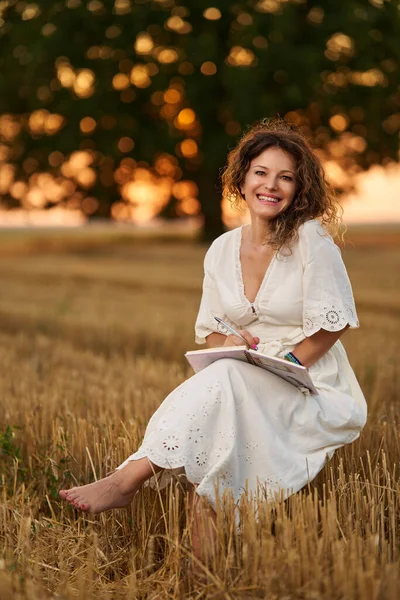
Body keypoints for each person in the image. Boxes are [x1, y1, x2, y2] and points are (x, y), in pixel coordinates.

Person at [59, 118, 367, 559]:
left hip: (310, 378)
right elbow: (211, 331)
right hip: (244, 374)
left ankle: (127, 478)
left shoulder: (311, 240)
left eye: (286, 177)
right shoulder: (221, 248)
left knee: (224, 383)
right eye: (261, 172)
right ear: (242, 179)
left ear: (300, 189)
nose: (271, 185)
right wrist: (229, 342)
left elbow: (333, 323)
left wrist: (291, 366)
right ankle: (199, 574)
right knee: (222, 396)